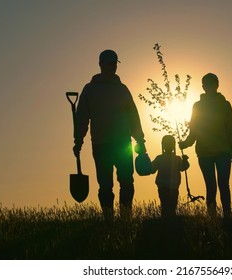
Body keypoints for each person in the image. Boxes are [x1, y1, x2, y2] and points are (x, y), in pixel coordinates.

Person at [73, 49, 147, 221]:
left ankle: (125, 218)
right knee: (107, 185)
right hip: (103, 144)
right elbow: (82, 118)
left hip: (121, 144)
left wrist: (140, 139)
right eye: (110, 63)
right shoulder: (91, 89)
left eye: (115, 63)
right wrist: (78, 141)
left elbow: (133, 117)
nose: (113, 67)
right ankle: (109, 220)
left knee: (125, 182)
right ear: (101, 64)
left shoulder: (121, 90)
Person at [178, 73, 232, 218]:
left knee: (223, 184)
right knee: (211, 186)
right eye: (205, 84)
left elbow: (231, 129)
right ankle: (212, 217)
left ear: (216, 85)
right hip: (205, 153)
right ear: (203, 86)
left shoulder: (225, 105)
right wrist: (185, 143)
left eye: (210, 83)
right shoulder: (197, 106)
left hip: (223, 151)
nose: (208, 86)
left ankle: (227, 216)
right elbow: (194, 130)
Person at [151, 135, 190, 218]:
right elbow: (152, 169)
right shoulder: (161, 158)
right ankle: (168, 221)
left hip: (172, 186)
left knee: (171, 206)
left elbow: (183, 167)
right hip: (165, 186)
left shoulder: (176, 159)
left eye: (170, 144)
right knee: (166, 205)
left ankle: (169, 222)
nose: (169, 146)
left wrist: (185, 160)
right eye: (167, 144)